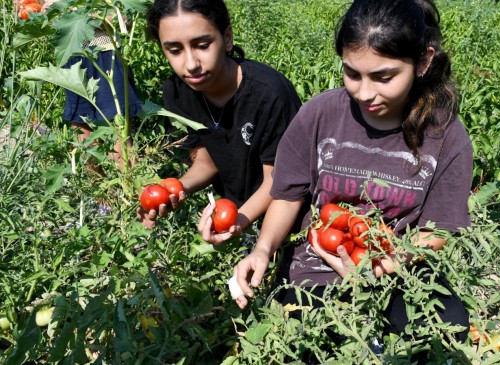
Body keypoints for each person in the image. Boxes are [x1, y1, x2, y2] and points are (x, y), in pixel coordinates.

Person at [232, 0, 473, 344]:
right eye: (352, 73)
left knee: (442, 329)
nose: (364, 92)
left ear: (423, 61)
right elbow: (287, 196)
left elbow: (440, 230)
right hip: (316, 266)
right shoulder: (320, 114)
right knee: (308, 340)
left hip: (401, 267)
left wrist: (386, 260)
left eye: (383, 77)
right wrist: (262, 249)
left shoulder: (445, 135)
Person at [141, 0, 302, 242]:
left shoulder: (270, 94)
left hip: (287, 217)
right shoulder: (177, 92)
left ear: (227, 38)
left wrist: (238, 221)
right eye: (174, 50)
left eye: (202, 45)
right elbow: (206, 162)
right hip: (233, 214)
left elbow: (278, 180)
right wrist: (171, 191)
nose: (191, 64)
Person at [41, 0, 143, 177]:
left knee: (117, 126)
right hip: (73, 55)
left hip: (106, 54)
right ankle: (100, 200)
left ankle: (135, 192)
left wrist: (83, 16)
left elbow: (126, 18)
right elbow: (40, 10)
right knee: (82, 128)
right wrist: (46, 11)